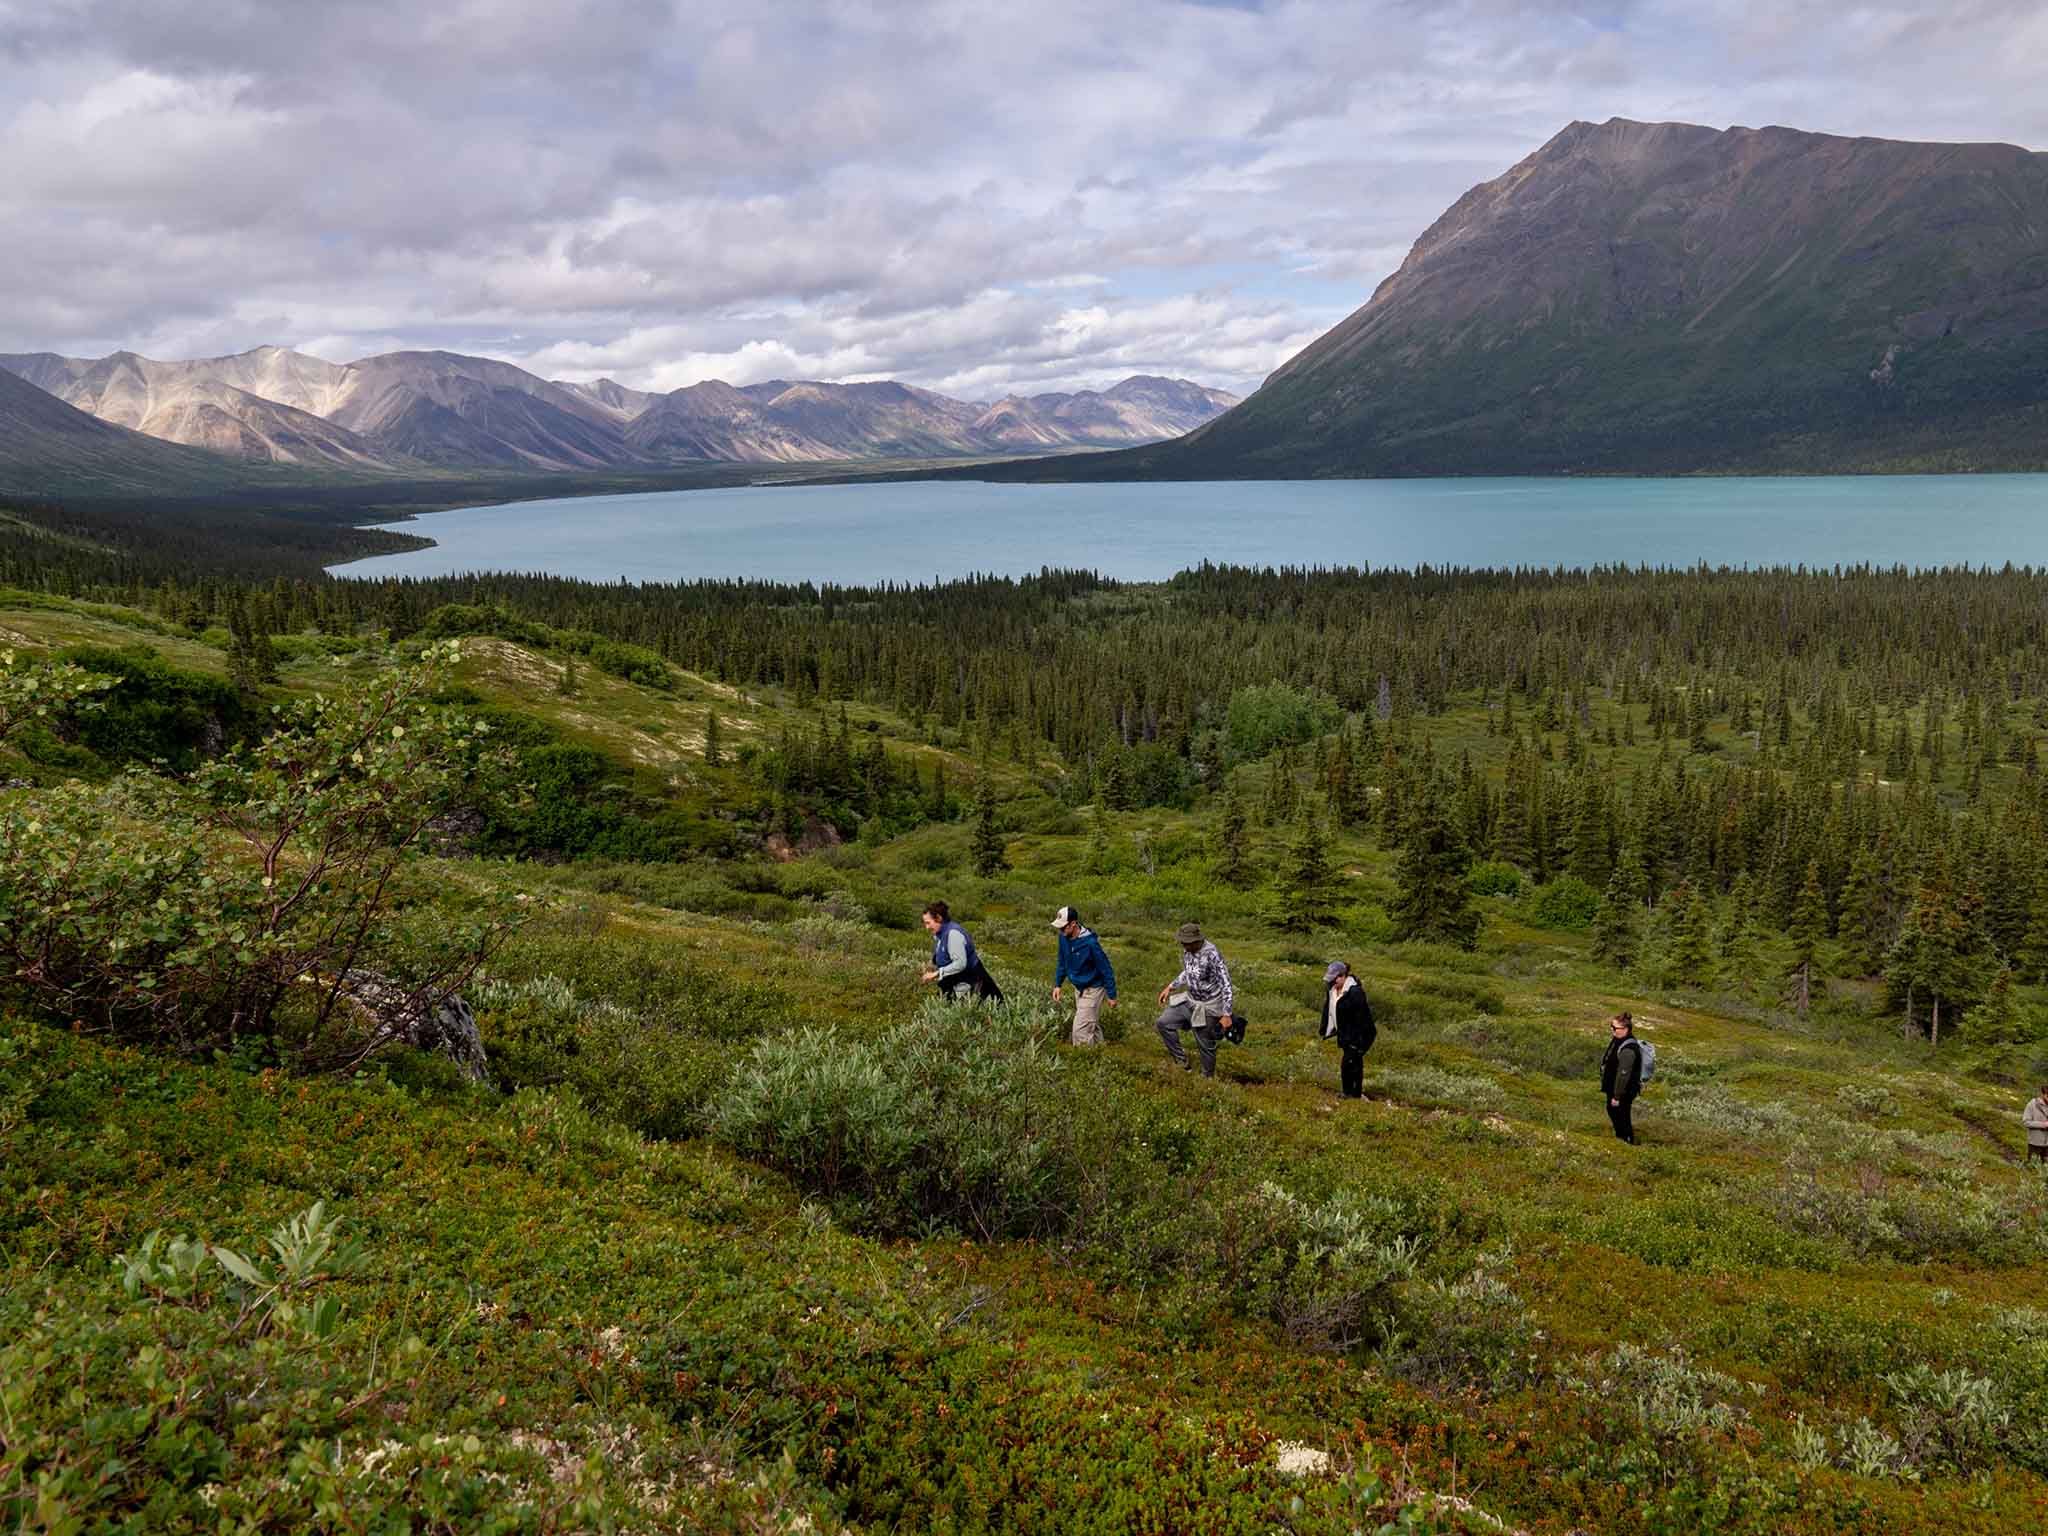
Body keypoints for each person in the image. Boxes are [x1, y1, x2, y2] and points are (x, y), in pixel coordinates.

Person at [1155, 921, 1233, 1077]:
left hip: (1209, 1005)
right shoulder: (1187, 951)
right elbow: (1188, 972)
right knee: (1163, 1023)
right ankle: (1182, 1063)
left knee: (1204, 1042)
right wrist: (1170, 987)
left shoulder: (1212, 953)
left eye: (1187, 942)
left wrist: (1227, 1014)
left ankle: (1207, 1078)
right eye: (1182, 942)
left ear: (1197, 940)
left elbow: (1226, 984)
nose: (1184, 945)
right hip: (1190, 1000)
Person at [1050, 904, 1118, 1045]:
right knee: (1091, 1024)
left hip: (1093, 989)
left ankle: (1084, 1060)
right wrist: (1058, 984)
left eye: (1063, 927)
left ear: (1073, 924)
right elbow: (1062, 961)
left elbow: (1106, 969)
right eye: (1059, 928)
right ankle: (1100, 1054)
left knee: (1080, 1031)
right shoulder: (1063, 938)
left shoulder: (1091, 944)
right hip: (1079, 989)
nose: (1061, 931)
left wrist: (1112, 995)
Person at [920, 901, 1003, 1002]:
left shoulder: (953, 934)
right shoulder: (940, 934)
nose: (926, 927)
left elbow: (960, 963)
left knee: (989, 1007)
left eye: (928, 923)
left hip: (972, 979)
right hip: (955, 978)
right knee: (943, 1004)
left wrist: (936, 974)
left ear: (939, 918)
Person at [1320, 960, 1375, 1099]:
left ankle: (1352, 1094)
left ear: (1343, 976)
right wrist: (1325, 1028)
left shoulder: (1355, 993)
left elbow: (1364, 1020)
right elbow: (1329, 1010)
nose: (1332, 982)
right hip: (1344, 1035)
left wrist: (1360, 1044)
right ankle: (1351, 1093)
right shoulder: (1332, 991)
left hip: (1357, 1036)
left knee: (1349, 1064)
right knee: (1352, 1064)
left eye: (1334, 979)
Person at [1600, 1012, 1644, 1144]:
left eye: (1615, 1028)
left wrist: (1617, 1096)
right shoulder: (1618, 1039)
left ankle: (1627, 1139)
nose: (1612, 1030)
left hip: (1623, 1090)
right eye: (1611, 1026)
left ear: (1625, 1029)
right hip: (1615, 1087)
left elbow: (1623, 1074)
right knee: (1614, 1111)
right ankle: (1622, 1137)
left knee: (1621, 1113)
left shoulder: (1628, 1049)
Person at [2025, 1084, 2048, 1164]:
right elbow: (2026, 1122)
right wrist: (2044, 1124)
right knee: (2032, 1168)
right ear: (2043, 1094)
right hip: (2035, 1143)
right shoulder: (2032, 1104)